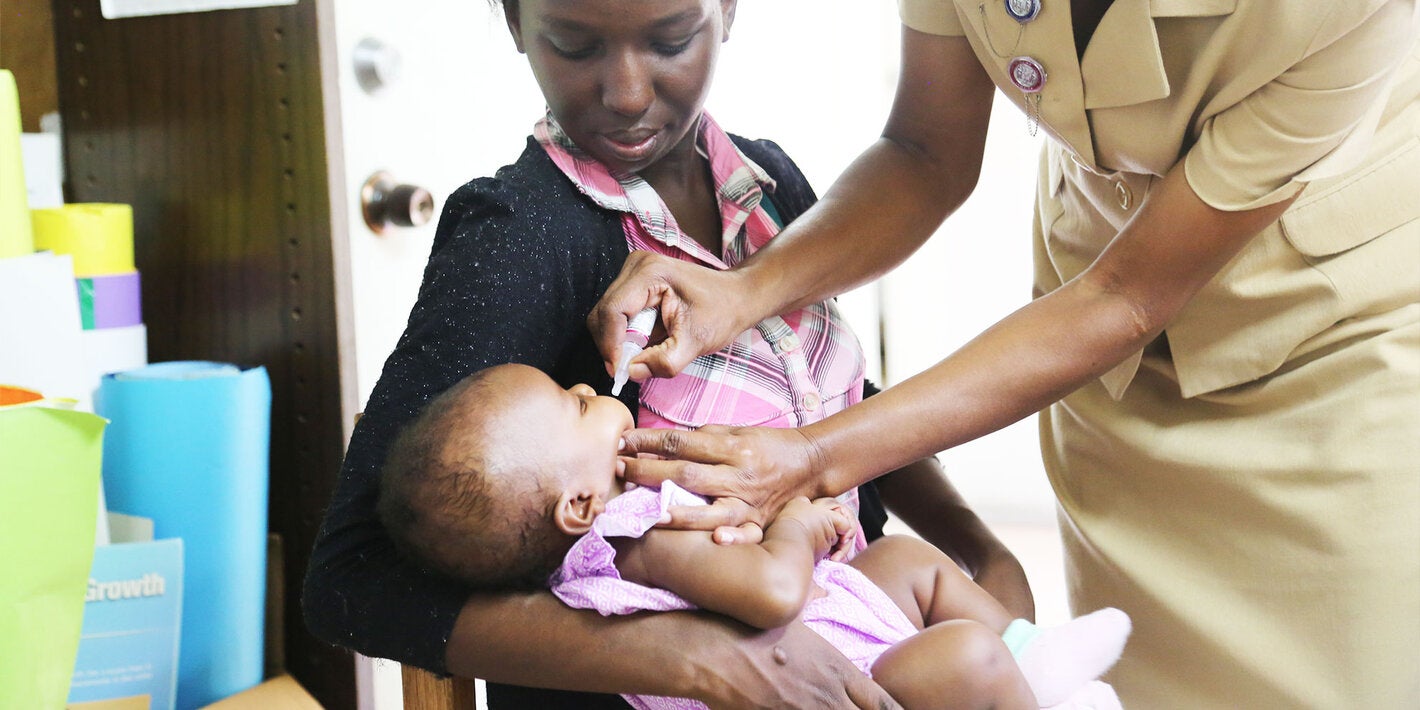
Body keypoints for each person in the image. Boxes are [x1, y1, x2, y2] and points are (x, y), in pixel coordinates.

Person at [590, 2, 1420, 708]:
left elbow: (1128, 298)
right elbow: (925, 152)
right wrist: (744, 291)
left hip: (1331, 341)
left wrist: (815, 460)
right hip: (1104, 340)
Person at [303, 0, 1037, 707]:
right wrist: (702, 658)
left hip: (869, 642)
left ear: (728, 9)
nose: (625, 93)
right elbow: (351, 581)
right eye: (576, 45)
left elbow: (837, 397)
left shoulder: (769, 181)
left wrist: (978, 550)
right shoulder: (517, 237)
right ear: (515, 20)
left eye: (671, 39)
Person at [376, 362, 1132, 710]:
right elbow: (769, 595)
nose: (585, 389)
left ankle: (1040, 661)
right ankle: (1042, 695)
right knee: (965, 655)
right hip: (832, 682)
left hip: (833, 629)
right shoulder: (629, 537)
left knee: (903, 558)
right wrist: (797, 525)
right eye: (573, 406)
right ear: (577, 506)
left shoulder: (621, 528)